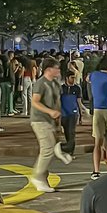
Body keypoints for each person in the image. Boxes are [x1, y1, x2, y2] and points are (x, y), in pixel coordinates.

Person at [29, 55, 72, 192]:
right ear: (48, 69)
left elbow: (57, 103)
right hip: (39, 120)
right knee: (47, 149)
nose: (59, 70)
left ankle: (43, 179)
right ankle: (37, 177)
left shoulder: (55, 83)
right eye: (56, 68)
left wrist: (58, 122)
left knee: (50, 148)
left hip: (51, 121)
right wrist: (50, 112)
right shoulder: (40, 83)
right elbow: (35, 101)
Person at [88, 57, 107, 177]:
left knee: (97, 142)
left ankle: (96, 171)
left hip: (97, 110)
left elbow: (87, 79)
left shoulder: (93, 75)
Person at [59, 71, 83, 157]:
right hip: (64, 113)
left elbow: (79, 102)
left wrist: (81, 115)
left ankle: (69, 151)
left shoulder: (77, 88)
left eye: (74, 78)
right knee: (67, 132)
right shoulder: (61, 88)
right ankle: (66, 149)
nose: (73, 80)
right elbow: (58, 101)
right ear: (67, 78)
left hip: (73, 113)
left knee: (71, 132)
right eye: (72, 78)